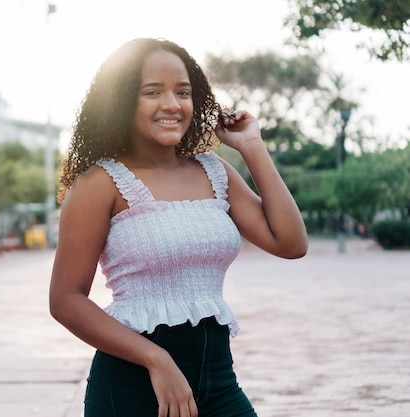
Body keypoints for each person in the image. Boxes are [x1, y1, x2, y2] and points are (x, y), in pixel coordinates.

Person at [49, 38, 308, 417]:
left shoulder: (214, 170)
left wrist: (252, 147)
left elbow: (290, 242)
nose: (172, 104)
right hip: (131, 387)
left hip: (217, 381)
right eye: (153, 92)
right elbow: (65, 300)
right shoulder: (99, 183)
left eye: (183, 92)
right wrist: (157, 360)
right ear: (122, 101)